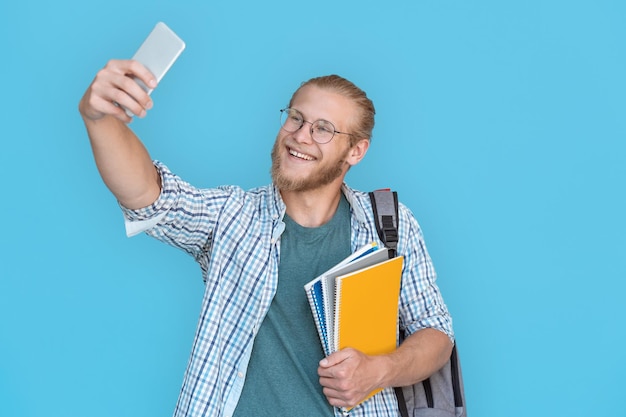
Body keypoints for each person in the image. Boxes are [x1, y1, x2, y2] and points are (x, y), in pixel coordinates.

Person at [79, 59, 454, 417]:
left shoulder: (388, 224)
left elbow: (436, 332)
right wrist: (99, 120)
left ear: (355, 150)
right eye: (296, 118)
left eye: (323, 128)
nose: (301, 136)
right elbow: (149, 195)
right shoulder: (234, 216)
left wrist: (380, 370)